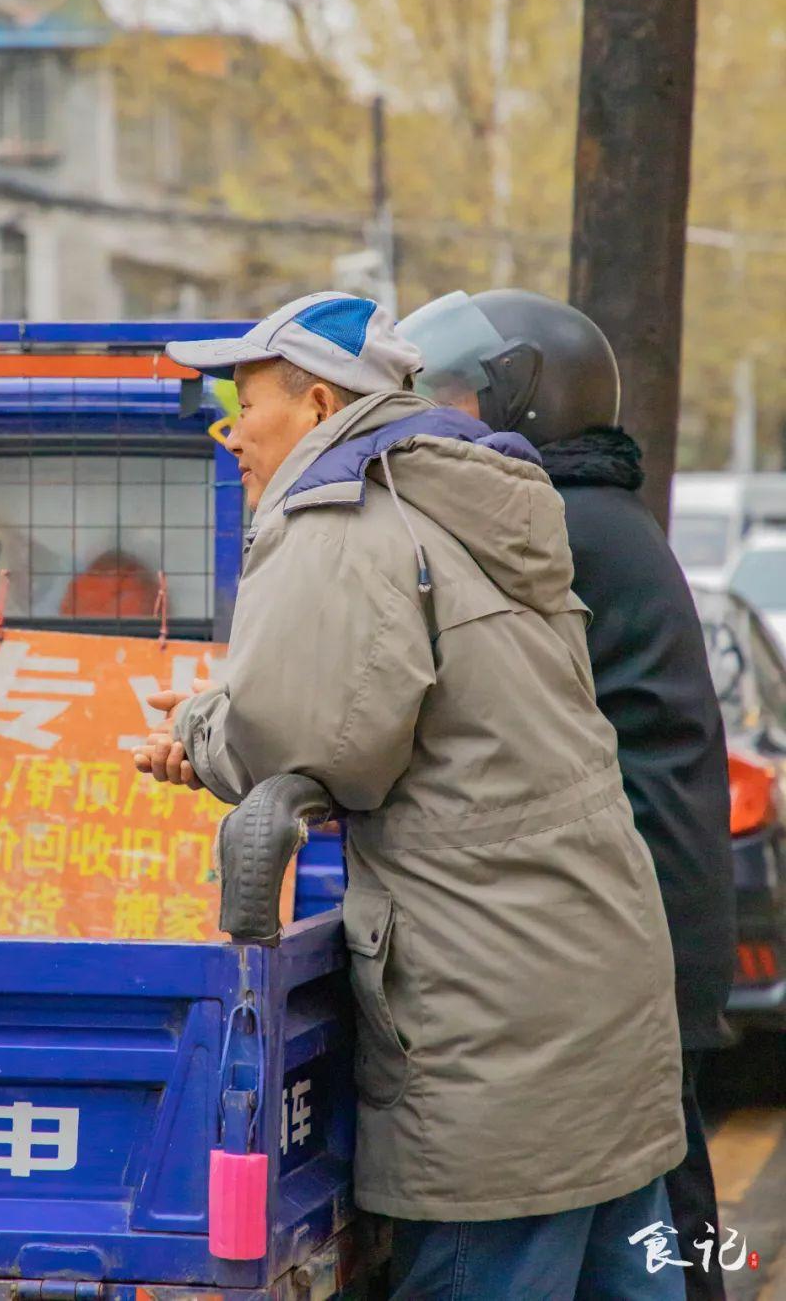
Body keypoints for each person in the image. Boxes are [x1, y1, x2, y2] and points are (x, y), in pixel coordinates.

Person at [135, 289, 687, 1301]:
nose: (229, 435)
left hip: (492, 1025)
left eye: (240, 403)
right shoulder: (468, 491)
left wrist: (196, 731)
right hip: (595, 985)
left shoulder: (339, 513)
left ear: (314, 402)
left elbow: (305, 739)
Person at [398, 288, 735, 1301]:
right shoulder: (597, 512)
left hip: (629, 934)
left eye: (450, 399)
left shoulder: (557, 529)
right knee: (656, 1224)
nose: (433, 424)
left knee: (663, 1218)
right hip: (650, 921)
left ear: (519, 400)